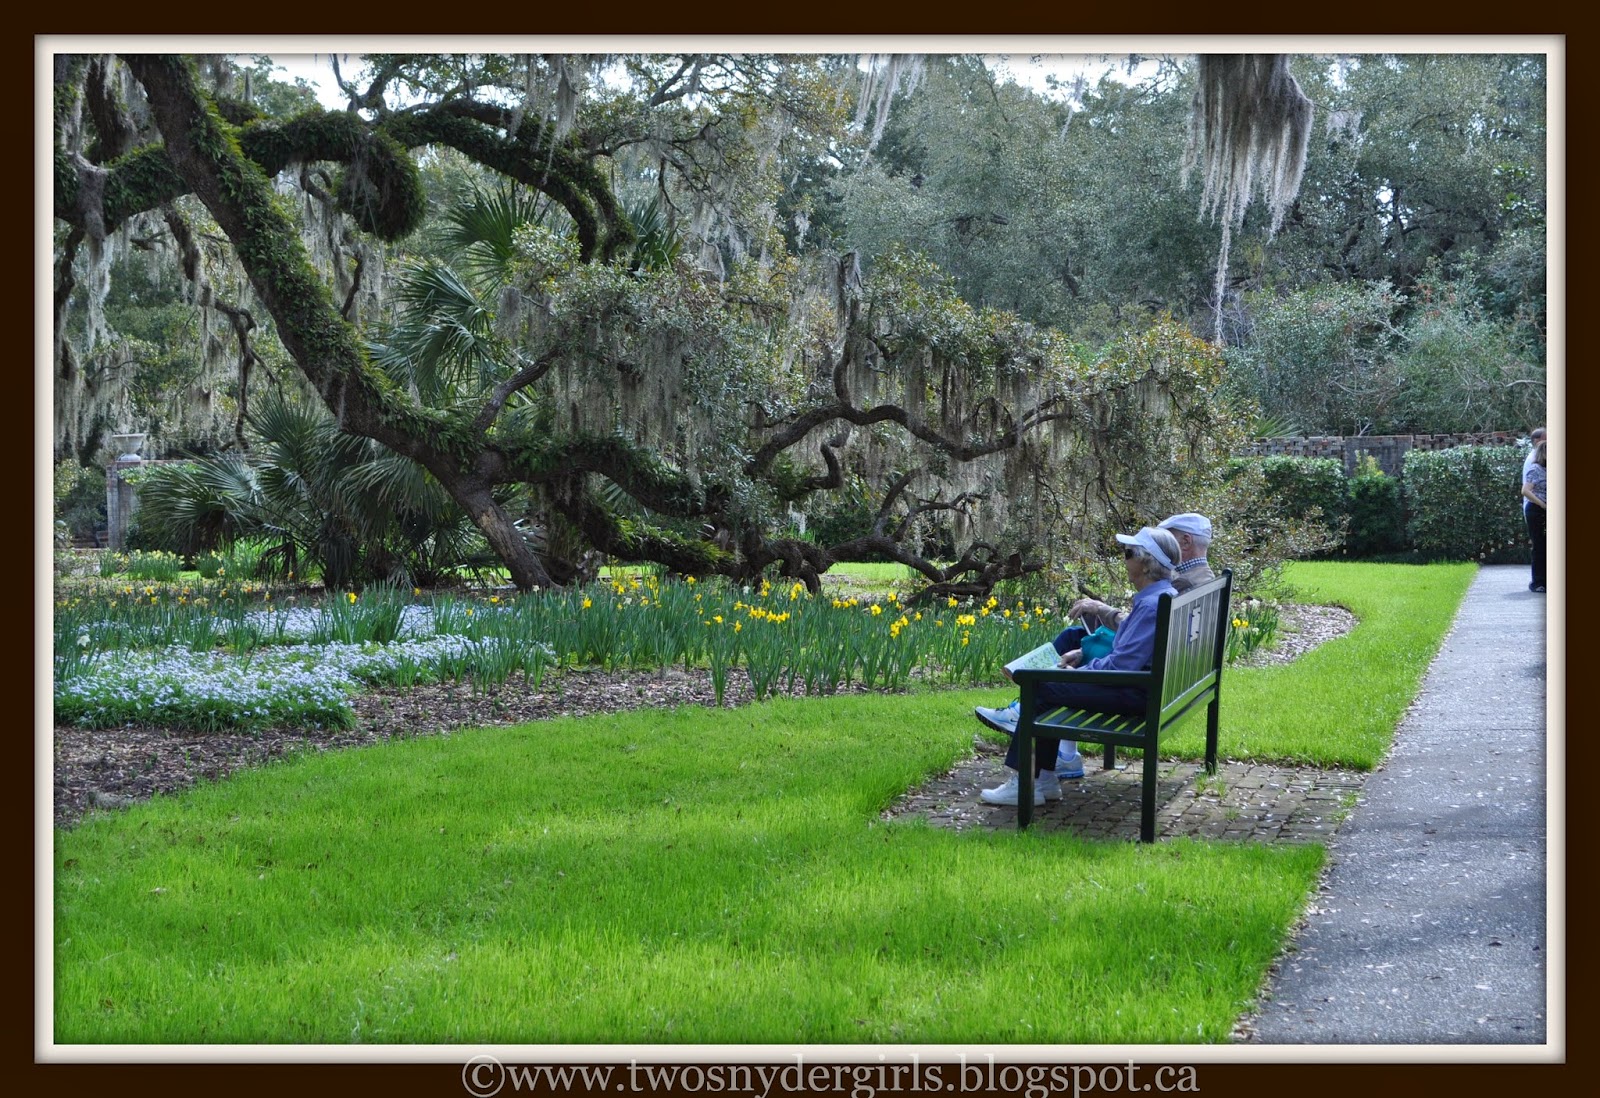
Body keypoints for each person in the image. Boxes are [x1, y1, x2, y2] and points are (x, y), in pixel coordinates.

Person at [987, 512, 1214, 776]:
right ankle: (1045, 776)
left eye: (1128, 554)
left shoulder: (1154, 604)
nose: (1124, 560)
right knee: (1053, 673)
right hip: (1157, 689)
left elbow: (1121, 665)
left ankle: (1028, 782)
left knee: (1040, 684)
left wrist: (1077, 674)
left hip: (1140, 694)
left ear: (1145, 564)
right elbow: (1134, 646)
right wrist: (1084, 654)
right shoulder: (1164, 594)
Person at [1521, 439, 1547, 593]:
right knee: (1539, 546)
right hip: (1537, 511)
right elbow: (1525, 490)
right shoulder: (1535, 469)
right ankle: (1538, 582)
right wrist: (1542, 504)